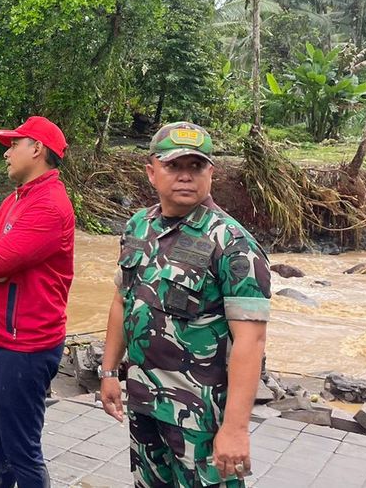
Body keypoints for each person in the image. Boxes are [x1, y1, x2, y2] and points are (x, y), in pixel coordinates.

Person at [98, 122, 271, 487]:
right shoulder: (138, 227)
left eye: (196, 167)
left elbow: (251, 341)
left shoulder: (232, 243)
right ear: (151, 172)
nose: (185, 177)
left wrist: (236, 429)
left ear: (211, 172)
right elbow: (121, 300)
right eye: (174, 166)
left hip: (202, 420)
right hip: (145, 404)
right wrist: (110, 371)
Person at [0, 116, 75, 488]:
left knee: (21, 448)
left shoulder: (48, 206)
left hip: (26, 346)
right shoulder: (20, 197)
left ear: (38, 149)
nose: (7, 152)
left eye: (14, 144)